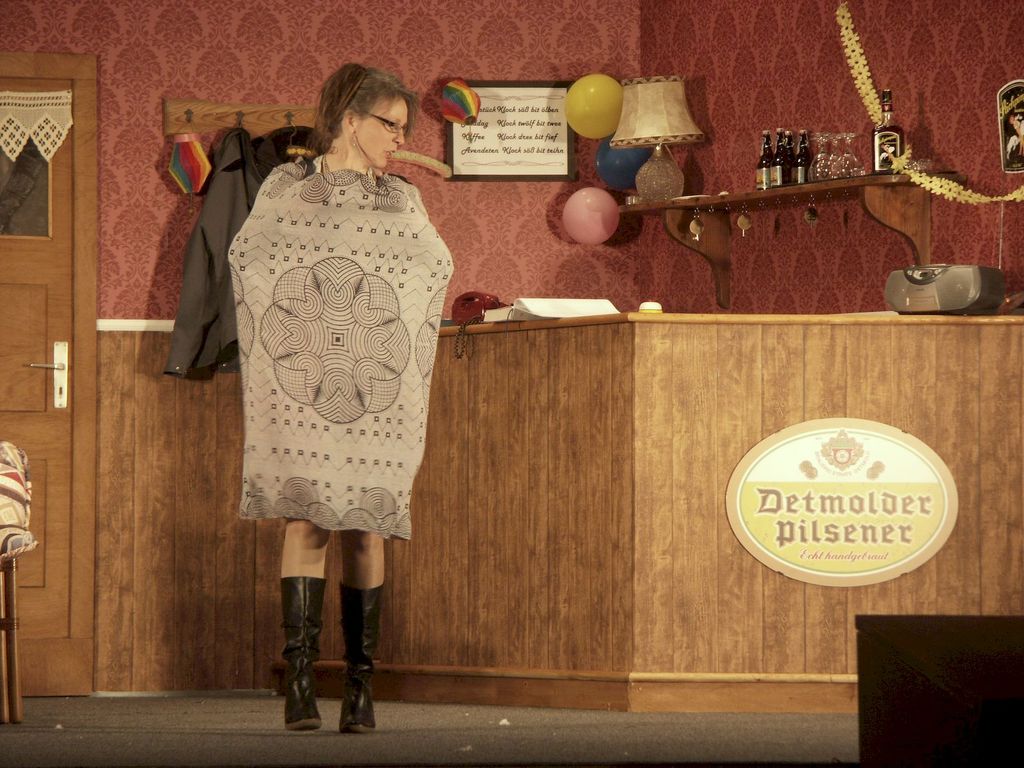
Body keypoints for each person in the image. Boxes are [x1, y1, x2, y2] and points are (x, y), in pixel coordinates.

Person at [226, 63, 453, 732]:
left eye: (405, 129)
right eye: (392, 125)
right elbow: (249, 258)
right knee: (308, 519)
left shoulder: (401, 200)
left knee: (365, 524)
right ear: (351, 121)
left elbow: (434, 268)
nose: (401, 140)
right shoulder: (289, 188)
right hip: (305, 390)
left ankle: (360, 685)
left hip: (372, 393)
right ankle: (299, 679)